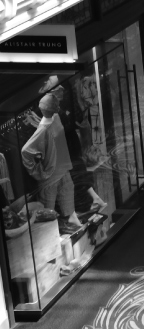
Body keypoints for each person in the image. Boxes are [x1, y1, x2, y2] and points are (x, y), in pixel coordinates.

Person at [20, 96, 82, 231]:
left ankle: (70, 221)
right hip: (50, 176)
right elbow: (25, 152)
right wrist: (38, 172)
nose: (58, 106)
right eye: (55, 105)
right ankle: (51, 236)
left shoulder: (55, 119)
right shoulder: (43, 129)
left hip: (63, 168)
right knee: (48, 211)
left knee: (68, 196)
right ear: (51, 108)